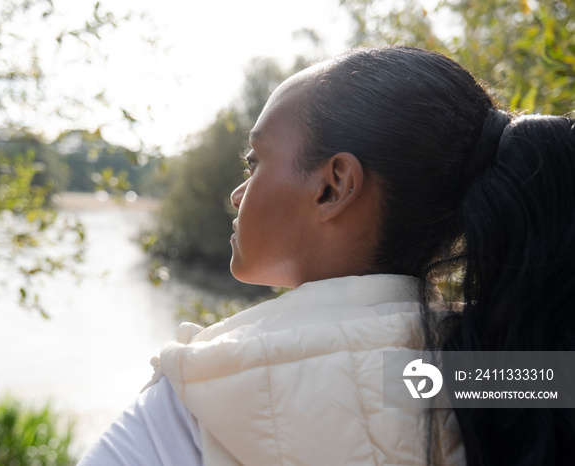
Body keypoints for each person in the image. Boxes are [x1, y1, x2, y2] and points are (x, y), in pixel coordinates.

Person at [79, 46, 575, 465]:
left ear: (333, 186)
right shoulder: (510, 377)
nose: (237, 193)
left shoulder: (199, 396)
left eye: (255, 161)